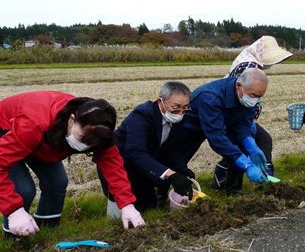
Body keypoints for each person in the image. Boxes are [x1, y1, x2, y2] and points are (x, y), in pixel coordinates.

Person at [0, 91, 145, 238]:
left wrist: (127, 205)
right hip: (7, 131)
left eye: (91, 144)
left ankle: (46, 234)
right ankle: (15, 240)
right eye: (82, 139)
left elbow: (114, 169)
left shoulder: (100, 130)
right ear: (71, 119)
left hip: (44, 142)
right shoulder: (34, 124)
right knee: (24, 190)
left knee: (57, 183)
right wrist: (14, 211)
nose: (84, 146)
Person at [98, 81, 195, 214]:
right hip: (121, 164)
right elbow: (135, 152)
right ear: (160, 102)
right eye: (176, 107)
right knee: (122, 205)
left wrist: (181, 167)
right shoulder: (143, 115)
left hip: (145, 164)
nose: (180, 113)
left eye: (185, 108)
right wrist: (171, 175)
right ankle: (115, 229)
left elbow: (171, 147)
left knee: (148, 206)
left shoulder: (179, 117)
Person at [211, 36, 293, 189]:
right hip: (232, 114)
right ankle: (235, 190)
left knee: (252, 143)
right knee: (249, 144)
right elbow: (241, 95)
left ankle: (220, 179)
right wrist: (249, 122)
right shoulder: (248, 66)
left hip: (237, 114)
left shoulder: (247, 58)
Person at [174, 68, 270, 197]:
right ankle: (161, 196)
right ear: (239, 85)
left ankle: (234, 191)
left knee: (241, 145)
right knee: (176, 159)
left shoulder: (248, 95)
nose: (255, 100)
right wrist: (247, 164)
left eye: (260, 96)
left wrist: (251, 145)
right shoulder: (211, 97)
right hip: (192, 128)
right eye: (254, 95)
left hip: (227, 121)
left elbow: (244, 123)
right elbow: (217, 137)